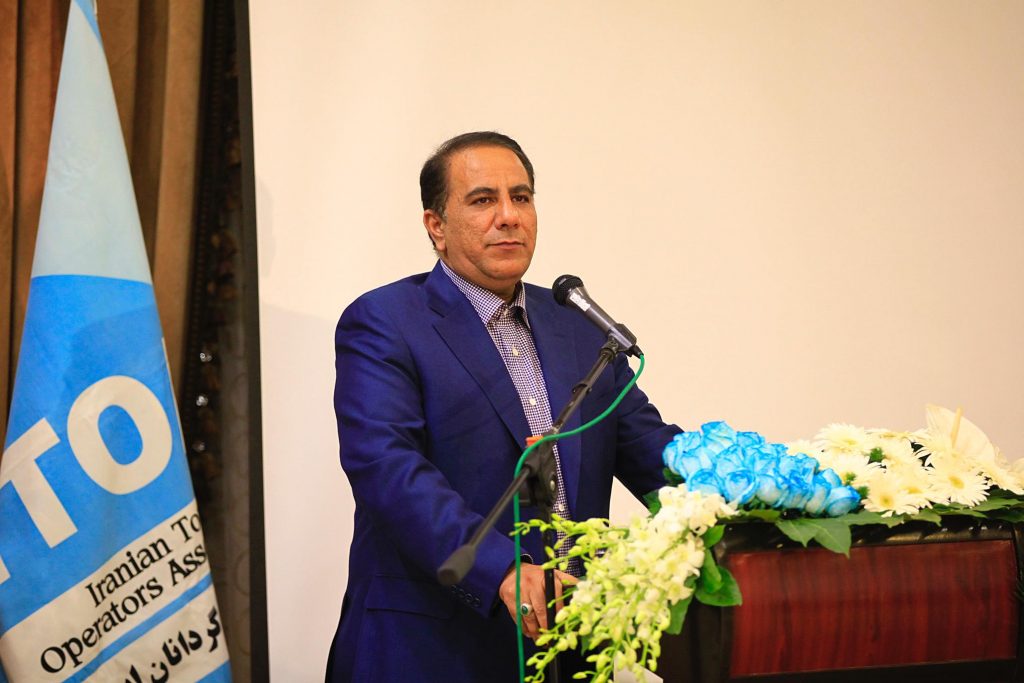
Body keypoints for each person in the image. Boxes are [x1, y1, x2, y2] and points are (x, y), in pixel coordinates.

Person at [327, 131, 680, 682]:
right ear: (436, 226)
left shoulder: (577, 326)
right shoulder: (386, 322)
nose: (509, 216)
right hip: (434, 648)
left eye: (521, 197)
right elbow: (387, 469)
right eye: (483, 200)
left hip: (569, 646)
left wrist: (761, 494)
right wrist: (501, 568)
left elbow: (653, 452)